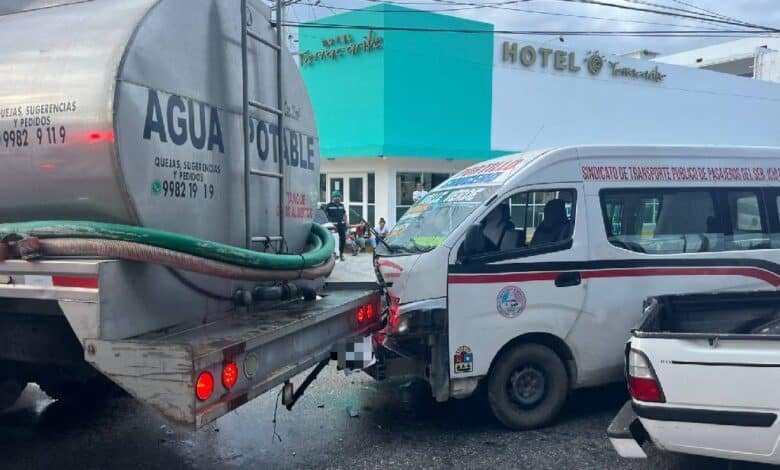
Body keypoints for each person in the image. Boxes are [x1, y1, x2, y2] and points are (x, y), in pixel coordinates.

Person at [325, 191, 347, 261]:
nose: (337, 198)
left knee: (343, 240)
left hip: (341, 226)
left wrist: (346, 222)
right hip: (333, 227)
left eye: (338, 197)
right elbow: (325, 215)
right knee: (333, 240)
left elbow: (344, 214)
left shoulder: (341, 205)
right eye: (336, 197)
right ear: (333, 197)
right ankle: (332, 254)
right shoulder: (329, 205)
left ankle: (341, 254)